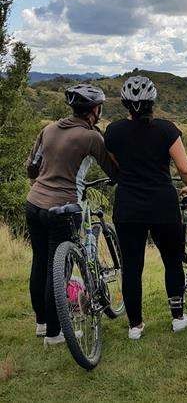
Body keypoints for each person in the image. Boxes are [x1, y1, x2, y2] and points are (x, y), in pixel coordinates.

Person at [104, 76, 187, 340]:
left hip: (128, 206)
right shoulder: (167, 129)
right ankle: (178, 317)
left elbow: (116, 165)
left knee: (132, 267)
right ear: (152, 103)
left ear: (125, 104)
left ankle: (135, 326)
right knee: (172, 260)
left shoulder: (112, 131)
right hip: (163, 204)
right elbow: (185, 169)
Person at [25, 84, 117, 346]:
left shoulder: (49, 129)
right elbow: (113, 170)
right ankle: (55, 333)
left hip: (34, 203)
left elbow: (32, 169)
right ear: (94, 111)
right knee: (60, 268)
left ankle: (42, 323)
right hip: (63, 208)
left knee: (40, 262)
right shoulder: (91, 137)